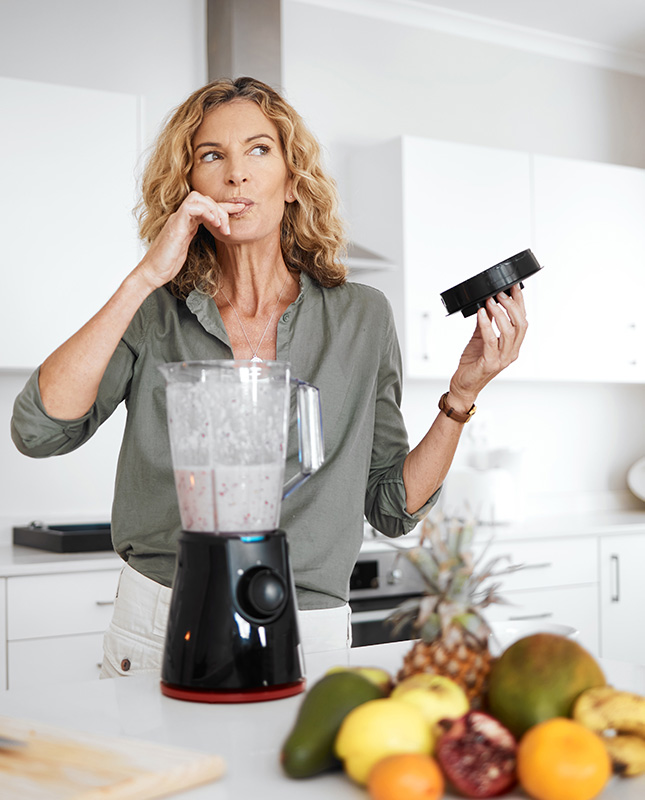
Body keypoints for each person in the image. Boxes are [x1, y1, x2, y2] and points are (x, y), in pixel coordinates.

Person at [11, 77, 528, 676]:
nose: (236, 174)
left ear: (291, 181)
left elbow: (391, 506)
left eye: (259, 150)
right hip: (161, 618)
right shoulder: (153, 312)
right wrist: (142, 278)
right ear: (189, 187)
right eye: (212, 156)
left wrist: (462, 395)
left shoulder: (362, 316)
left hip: (309, 627)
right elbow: (39, 430)